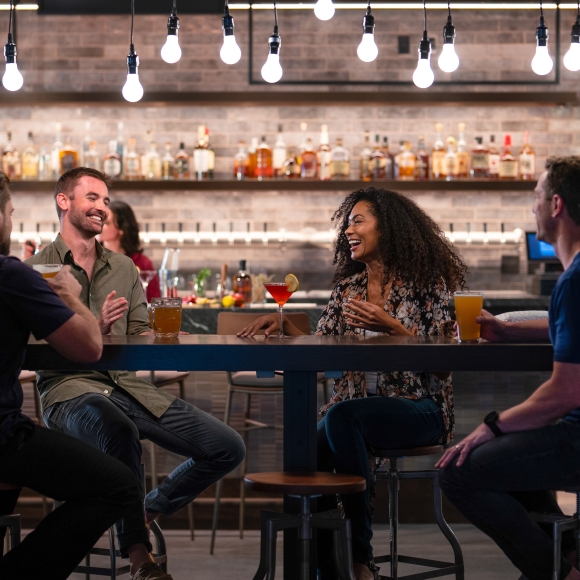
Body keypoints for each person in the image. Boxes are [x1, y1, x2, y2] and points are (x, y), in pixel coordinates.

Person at [27, 167, 245, 580]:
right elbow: (36, 346)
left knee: (227, 446)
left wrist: (164, 336)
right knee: (119, 430)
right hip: (69, 391)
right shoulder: (37, 269)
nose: (102, 208)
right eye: (92, 198)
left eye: (106, 201)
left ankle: (144, 507)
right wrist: (95, 327)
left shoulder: (125, 269)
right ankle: (138, 554)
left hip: (128, 388)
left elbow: (141, 330)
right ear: (64, 201)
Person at [239, 187, 467, 580]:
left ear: (390, 228)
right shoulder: (349, 288)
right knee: (306, 449)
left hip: (421, 409)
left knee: (342, 418)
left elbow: (444, 369)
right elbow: (323, 347)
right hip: (357, 410)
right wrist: (284, 326)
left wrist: (394, 328)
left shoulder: (428, 283)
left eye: (358, 220)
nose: (348, 230)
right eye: (347, 223)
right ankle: (333, 567)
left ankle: (360, 558)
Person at [436, 157, 580, 580]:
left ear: (556, 205)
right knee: (512, 463)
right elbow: (567, 334)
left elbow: (566, 393)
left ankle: (561, 575)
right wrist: (506, 331)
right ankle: (565, 557)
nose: (531, 207)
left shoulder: (572, 284)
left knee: (458, 472)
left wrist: (493, 426)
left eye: (535, 197)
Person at [0, 172, 143, 580]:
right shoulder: (13, 274)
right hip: (4, 436)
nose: (10, 223)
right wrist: (67, 296)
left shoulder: (123, 268)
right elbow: (89, 348)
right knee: (118, 485)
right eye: (8, 213)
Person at [98, 200, 161, 301]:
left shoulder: (142, 263)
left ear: (121, 229)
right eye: (100, 220)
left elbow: (154, 300)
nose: (100, 225)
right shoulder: (93, 258)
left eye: (107, 223)